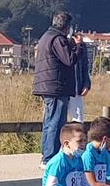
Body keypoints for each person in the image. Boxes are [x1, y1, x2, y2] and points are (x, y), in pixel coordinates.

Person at [32, 10, 82, 161]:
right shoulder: (57, 39)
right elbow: (69, 59)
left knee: (49, 122)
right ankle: (50, 157)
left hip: (47, 85)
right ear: (67, 27)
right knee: (56, 122)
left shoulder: (46, 37)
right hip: (56, 86)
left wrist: (70, 43)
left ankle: (46, 154)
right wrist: (78, 46)